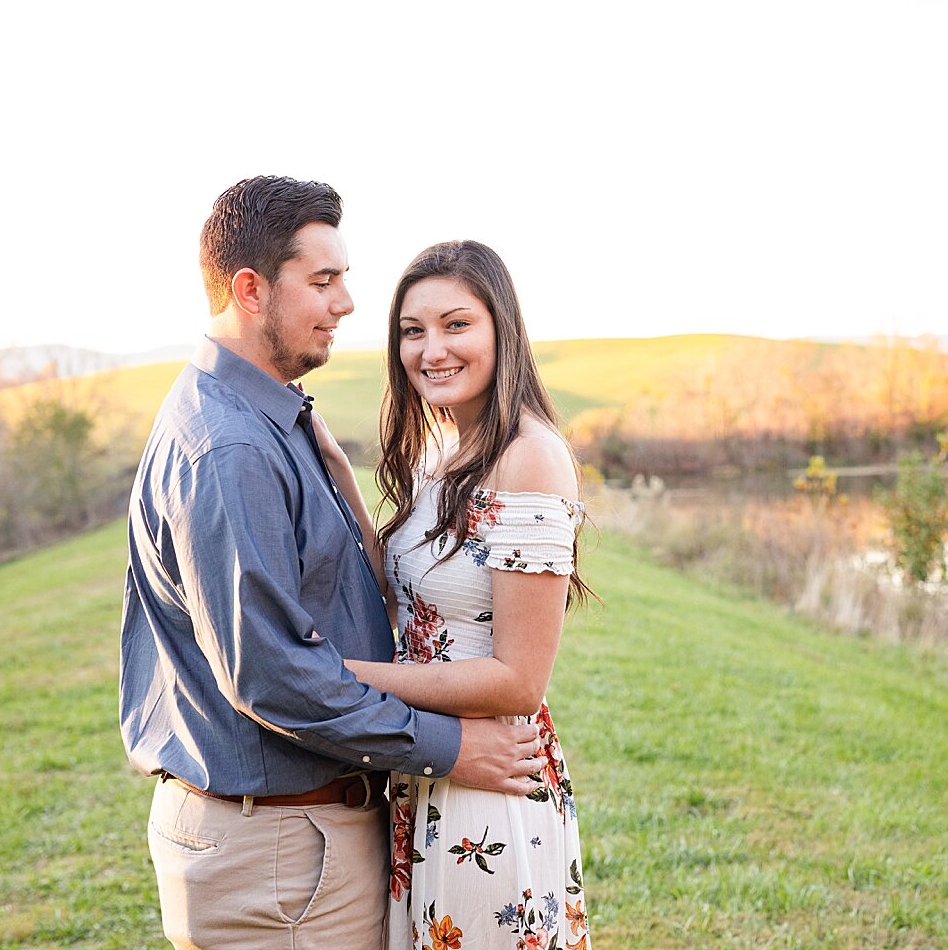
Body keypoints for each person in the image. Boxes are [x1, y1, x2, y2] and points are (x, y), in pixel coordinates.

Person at [120, 177, 548, 950]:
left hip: (309, 838)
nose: (348, 303)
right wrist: (453, 747)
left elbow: (334, 590)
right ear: (251, 290)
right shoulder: (233, 446)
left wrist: (349, 497)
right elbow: (275, 675)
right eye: (323, 281)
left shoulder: (271, 416)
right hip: (281, 857)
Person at [311, 239, 594, 949]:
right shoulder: (445, 448)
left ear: (503, 328)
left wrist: (335, 678)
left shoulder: (528, 457)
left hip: (486, 785)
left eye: (455, 324)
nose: (431, 349)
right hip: (431, 763)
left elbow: (519, 681)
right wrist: (341, 476)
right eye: (412, 331)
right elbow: (408, 593)